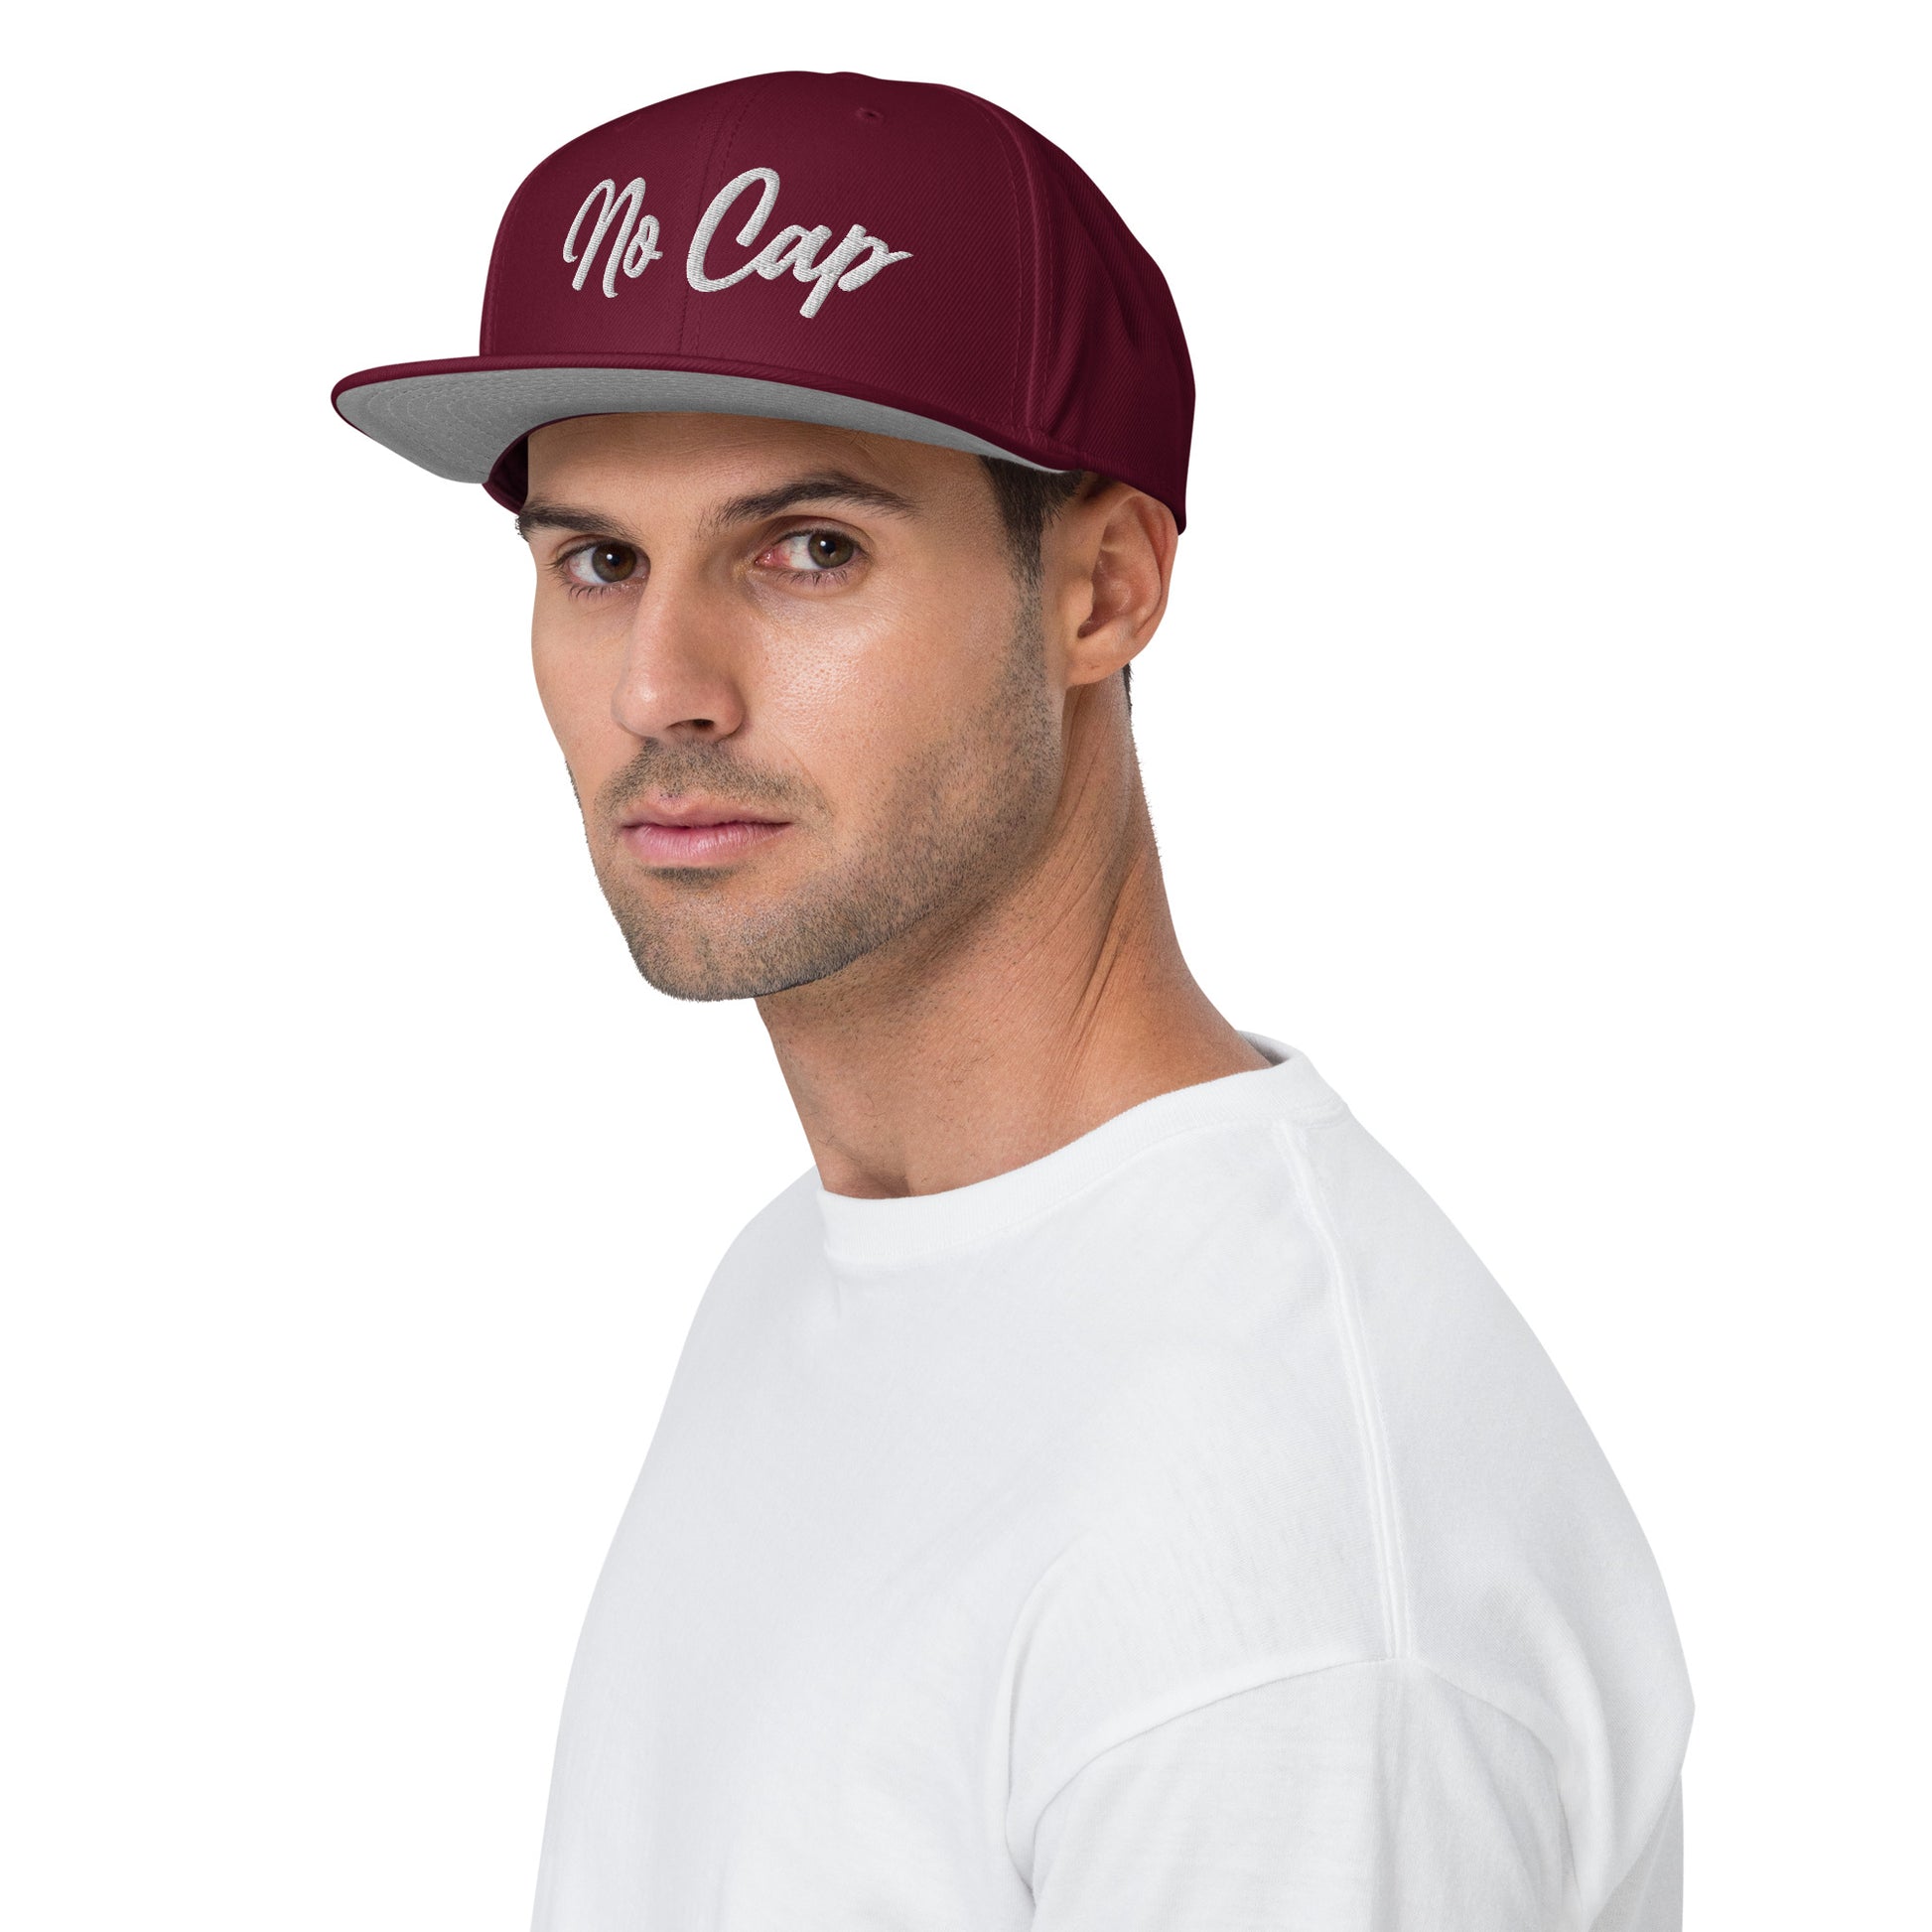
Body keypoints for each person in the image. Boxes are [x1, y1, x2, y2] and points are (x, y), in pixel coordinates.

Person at [333, 69, 1693, 1932]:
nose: (661, 686)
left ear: (1101, 591)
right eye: (598, 560)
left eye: (808, 548)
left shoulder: (1265, 1592)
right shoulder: (812, 1273)